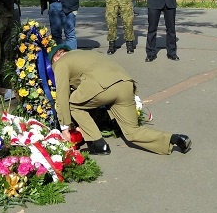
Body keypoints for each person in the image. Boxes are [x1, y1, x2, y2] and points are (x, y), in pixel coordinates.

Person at [50, 44, 191, 155]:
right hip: (126, 84)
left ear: (56, 57)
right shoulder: (86, 54)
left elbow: (62, 94)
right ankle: (175, 139)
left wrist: (65, 126)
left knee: (72, 104)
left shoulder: (61, 62)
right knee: (132, 132)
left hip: (104, 89)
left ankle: (98, 144)